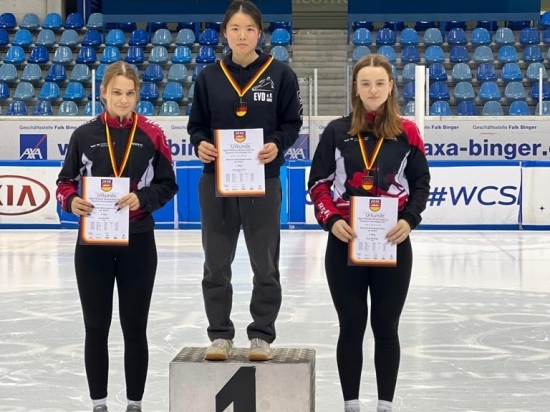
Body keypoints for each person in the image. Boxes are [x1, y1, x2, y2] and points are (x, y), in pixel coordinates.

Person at [307, 54, 430, 412]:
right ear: (355, 89)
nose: (372, 90)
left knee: (386, 327)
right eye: (365, 83)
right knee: (351, 325)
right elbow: (318, 184)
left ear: (391, 86)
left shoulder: (408, 133)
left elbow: (421, 184)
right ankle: (351, 405)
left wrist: (409, 220)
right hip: (346, 243)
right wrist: (331, 220)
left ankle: (385, 405)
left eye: (379, 83)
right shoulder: (336, 131)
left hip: (393, 243)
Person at [56, 61, 179, 412]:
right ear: (103, 94)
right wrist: (71, 200)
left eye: (129, 93)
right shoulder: (84, 135)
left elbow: (168, 184)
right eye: (116, 93)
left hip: (138, 240)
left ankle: (134, 404)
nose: (123, 100)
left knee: (134, 328)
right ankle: (98, 404)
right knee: (95, 328)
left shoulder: (152, 134)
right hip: (93, 244)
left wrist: (142, 198)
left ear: (138, 95)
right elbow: (64, 182)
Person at [188, 0, 303, 361]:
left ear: (259, 33)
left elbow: (291, 124)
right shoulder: (208, 76)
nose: (242, 35)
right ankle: (220, 335)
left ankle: (261, 335)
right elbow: (197, 125)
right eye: (235, 28)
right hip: (217, 182)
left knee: (264, 263)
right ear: (225, 32)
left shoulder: (281, 74)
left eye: (249, 29)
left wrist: (277, 144)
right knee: (216, 263)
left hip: (263, 182)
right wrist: (200, 144)